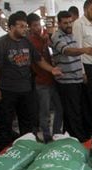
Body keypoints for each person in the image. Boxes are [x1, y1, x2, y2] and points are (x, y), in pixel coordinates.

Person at [0, 12, 62, 149]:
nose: (25, 29)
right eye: (21, 26)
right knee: (6, 123)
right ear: (11, 27)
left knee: (27, 123)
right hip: (7, 90)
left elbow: (38, 59)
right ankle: (5, 152)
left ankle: (26, 149)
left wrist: (51, 69)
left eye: (25, 26)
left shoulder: (26, 41)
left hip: (26, 89)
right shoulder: (1, 43)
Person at [51, 10, 92, 142]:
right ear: (59, 23)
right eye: (65, 23)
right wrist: (84, 50)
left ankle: (79, 135)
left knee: (80, 109)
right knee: (72, 112)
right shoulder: (56, 37)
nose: (69, 25)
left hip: (77, 79)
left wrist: (82, 73)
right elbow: (68, 51)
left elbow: (77, 56)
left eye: (70, 22)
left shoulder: (71, 35)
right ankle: (78, 139)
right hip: (66, 81)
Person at [27, 13, 63, 143]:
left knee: (59, 108)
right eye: (35, 25)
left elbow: (49, 54)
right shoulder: (30, 42)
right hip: (41, 81)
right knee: (45, 111)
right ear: (29, 27)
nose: (38, 28)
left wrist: (46, 41)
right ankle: (47, 136)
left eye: (39, 25)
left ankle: (56, 133)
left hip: (51, 79)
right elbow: (39, 60)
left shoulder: (43, 38)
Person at [73, 0, 92, 139]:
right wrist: (82, 72)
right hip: (86, 67)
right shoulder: (79, 24)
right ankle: (87, 132)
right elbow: (78, 48)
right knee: (87, 101)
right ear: (85, 10)